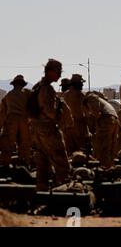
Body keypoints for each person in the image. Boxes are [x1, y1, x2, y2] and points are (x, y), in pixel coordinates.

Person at [30, 59, 71, 191]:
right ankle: (68, 194)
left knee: (43, 163)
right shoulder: (47, 89)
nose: (59, 75)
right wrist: (58, 113)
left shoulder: (37, 86)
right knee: (61, 161)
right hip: (48, 128)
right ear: (50, 72)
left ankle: (41, 193)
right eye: (58, 72)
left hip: (37, 128)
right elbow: (49, 112)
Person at [0, 75, 32, 167]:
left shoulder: (8, 95)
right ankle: (24, 164)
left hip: (11, 120)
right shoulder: (27, 93)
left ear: (13, 85)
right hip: (24, 120)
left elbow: (2, 113)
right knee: (25, 144)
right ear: (23, 84)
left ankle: (4, 164)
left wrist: (0, 125)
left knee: (8, 143)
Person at [83, 92, 119, 169]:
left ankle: (104, 168)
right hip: (113, 118)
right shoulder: (99, 99)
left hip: (106, 119)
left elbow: (96, 112)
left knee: (103, 145)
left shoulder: (91, 99)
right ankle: (110, 166)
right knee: (111, 145)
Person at [63, 74, 90, 155]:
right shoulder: (80, 95)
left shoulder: (65, 94)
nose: (82, 85)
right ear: (76, 83)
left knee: (69, 149)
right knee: (81, 149)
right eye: (81, 83)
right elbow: (86, 111)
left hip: (68, 125)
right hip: (79, 125)